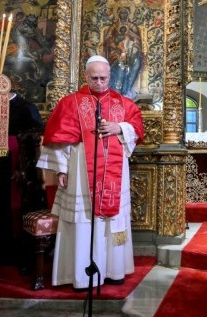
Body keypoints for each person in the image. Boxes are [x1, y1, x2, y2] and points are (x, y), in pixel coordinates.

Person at [37, 55, 144, 290]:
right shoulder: (70, 103)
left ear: (110, 76)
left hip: (114, 175)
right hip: (80, 174)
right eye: (94, 78)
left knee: (111, 221)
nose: (99, 82)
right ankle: (82, 276)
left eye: (104, 78)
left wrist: (120, 127)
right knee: (83, 221)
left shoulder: (123, 103)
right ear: (86, 76)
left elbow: (136, 129)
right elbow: (59, 139)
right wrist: (61, 169)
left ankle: (113, 271)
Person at [0, 73, 43, 267]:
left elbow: (36, 134)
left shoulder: (25, 107)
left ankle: (15, 250)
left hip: (16, 163)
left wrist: (21, 161)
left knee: (13, 204)